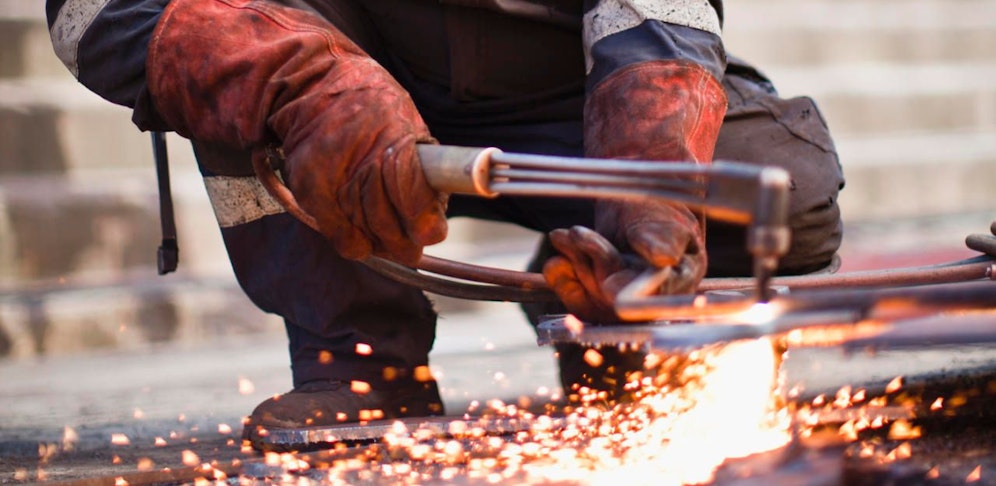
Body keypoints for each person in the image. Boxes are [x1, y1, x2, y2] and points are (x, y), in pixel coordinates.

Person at [47, 0, 843, 450]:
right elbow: (91, 14)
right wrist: (299, 79)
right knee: (215, 45)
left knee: (781, 189)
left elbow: (661, 15)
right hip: (327, 100)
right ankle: (356, 358)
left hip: (561, 89)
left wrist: (648, 182)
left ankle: (633, 326)